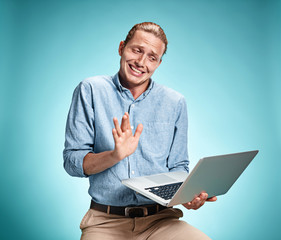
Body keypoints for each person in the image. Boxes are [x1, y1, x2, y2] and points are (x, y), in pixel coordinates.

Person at [63, 22, 217, 240]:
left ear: (159, 63)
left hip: (161, 220)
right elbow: (72, 162)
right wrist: (114, 155)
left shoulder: (175, 102)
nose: (141, 62)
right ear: (121, 48)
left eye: (152, 57)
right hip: (105, 222)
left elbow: (178, 167)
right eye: (137, 50)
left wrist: (187, 196)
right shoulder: (90, 90)